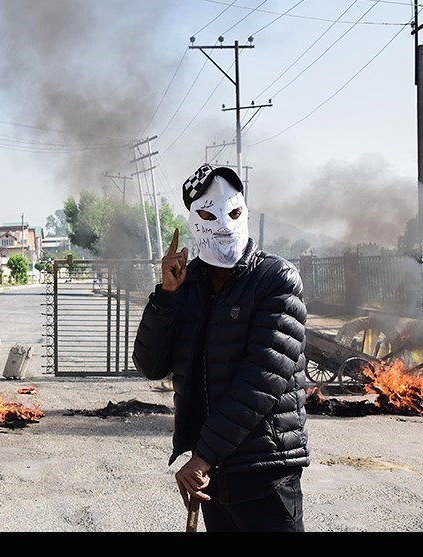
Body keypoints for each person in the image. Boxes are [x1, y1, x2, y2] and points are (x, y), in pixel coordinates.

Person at [132, 163, 310, 532]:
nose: (225, 226)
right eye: (210, 215)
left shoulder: (276, 279)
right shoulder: (188, 282)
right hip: (213, 476)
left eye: (233, 213)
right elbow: (150, 366)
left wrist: (201, 458)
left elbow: (260, 382)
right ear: (194, 221)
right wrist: (166, 297)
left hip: (265, 470)